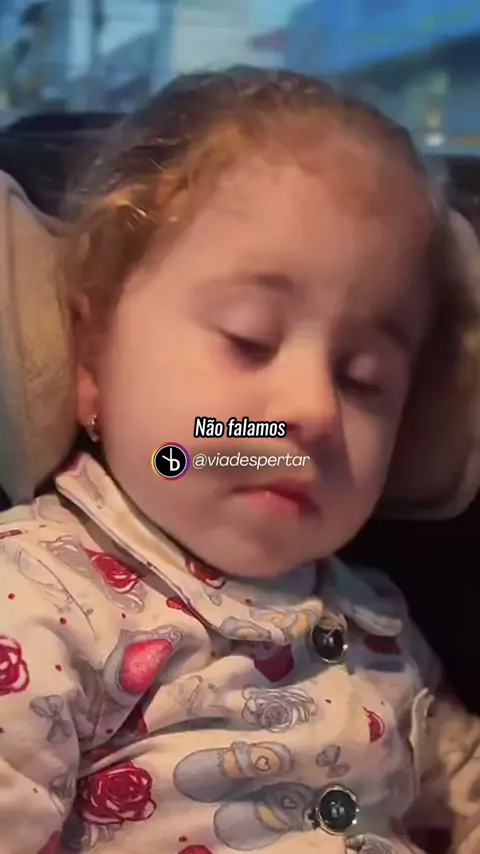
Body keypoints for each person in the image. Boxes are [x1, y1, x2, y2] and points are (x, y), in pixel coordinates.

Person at [1, 66, 480, 854]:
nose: (314, 411)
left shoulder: (382, 622)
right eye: (250, 339)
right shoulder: (36, 598)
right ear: (93, 358)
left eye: (364, 380)